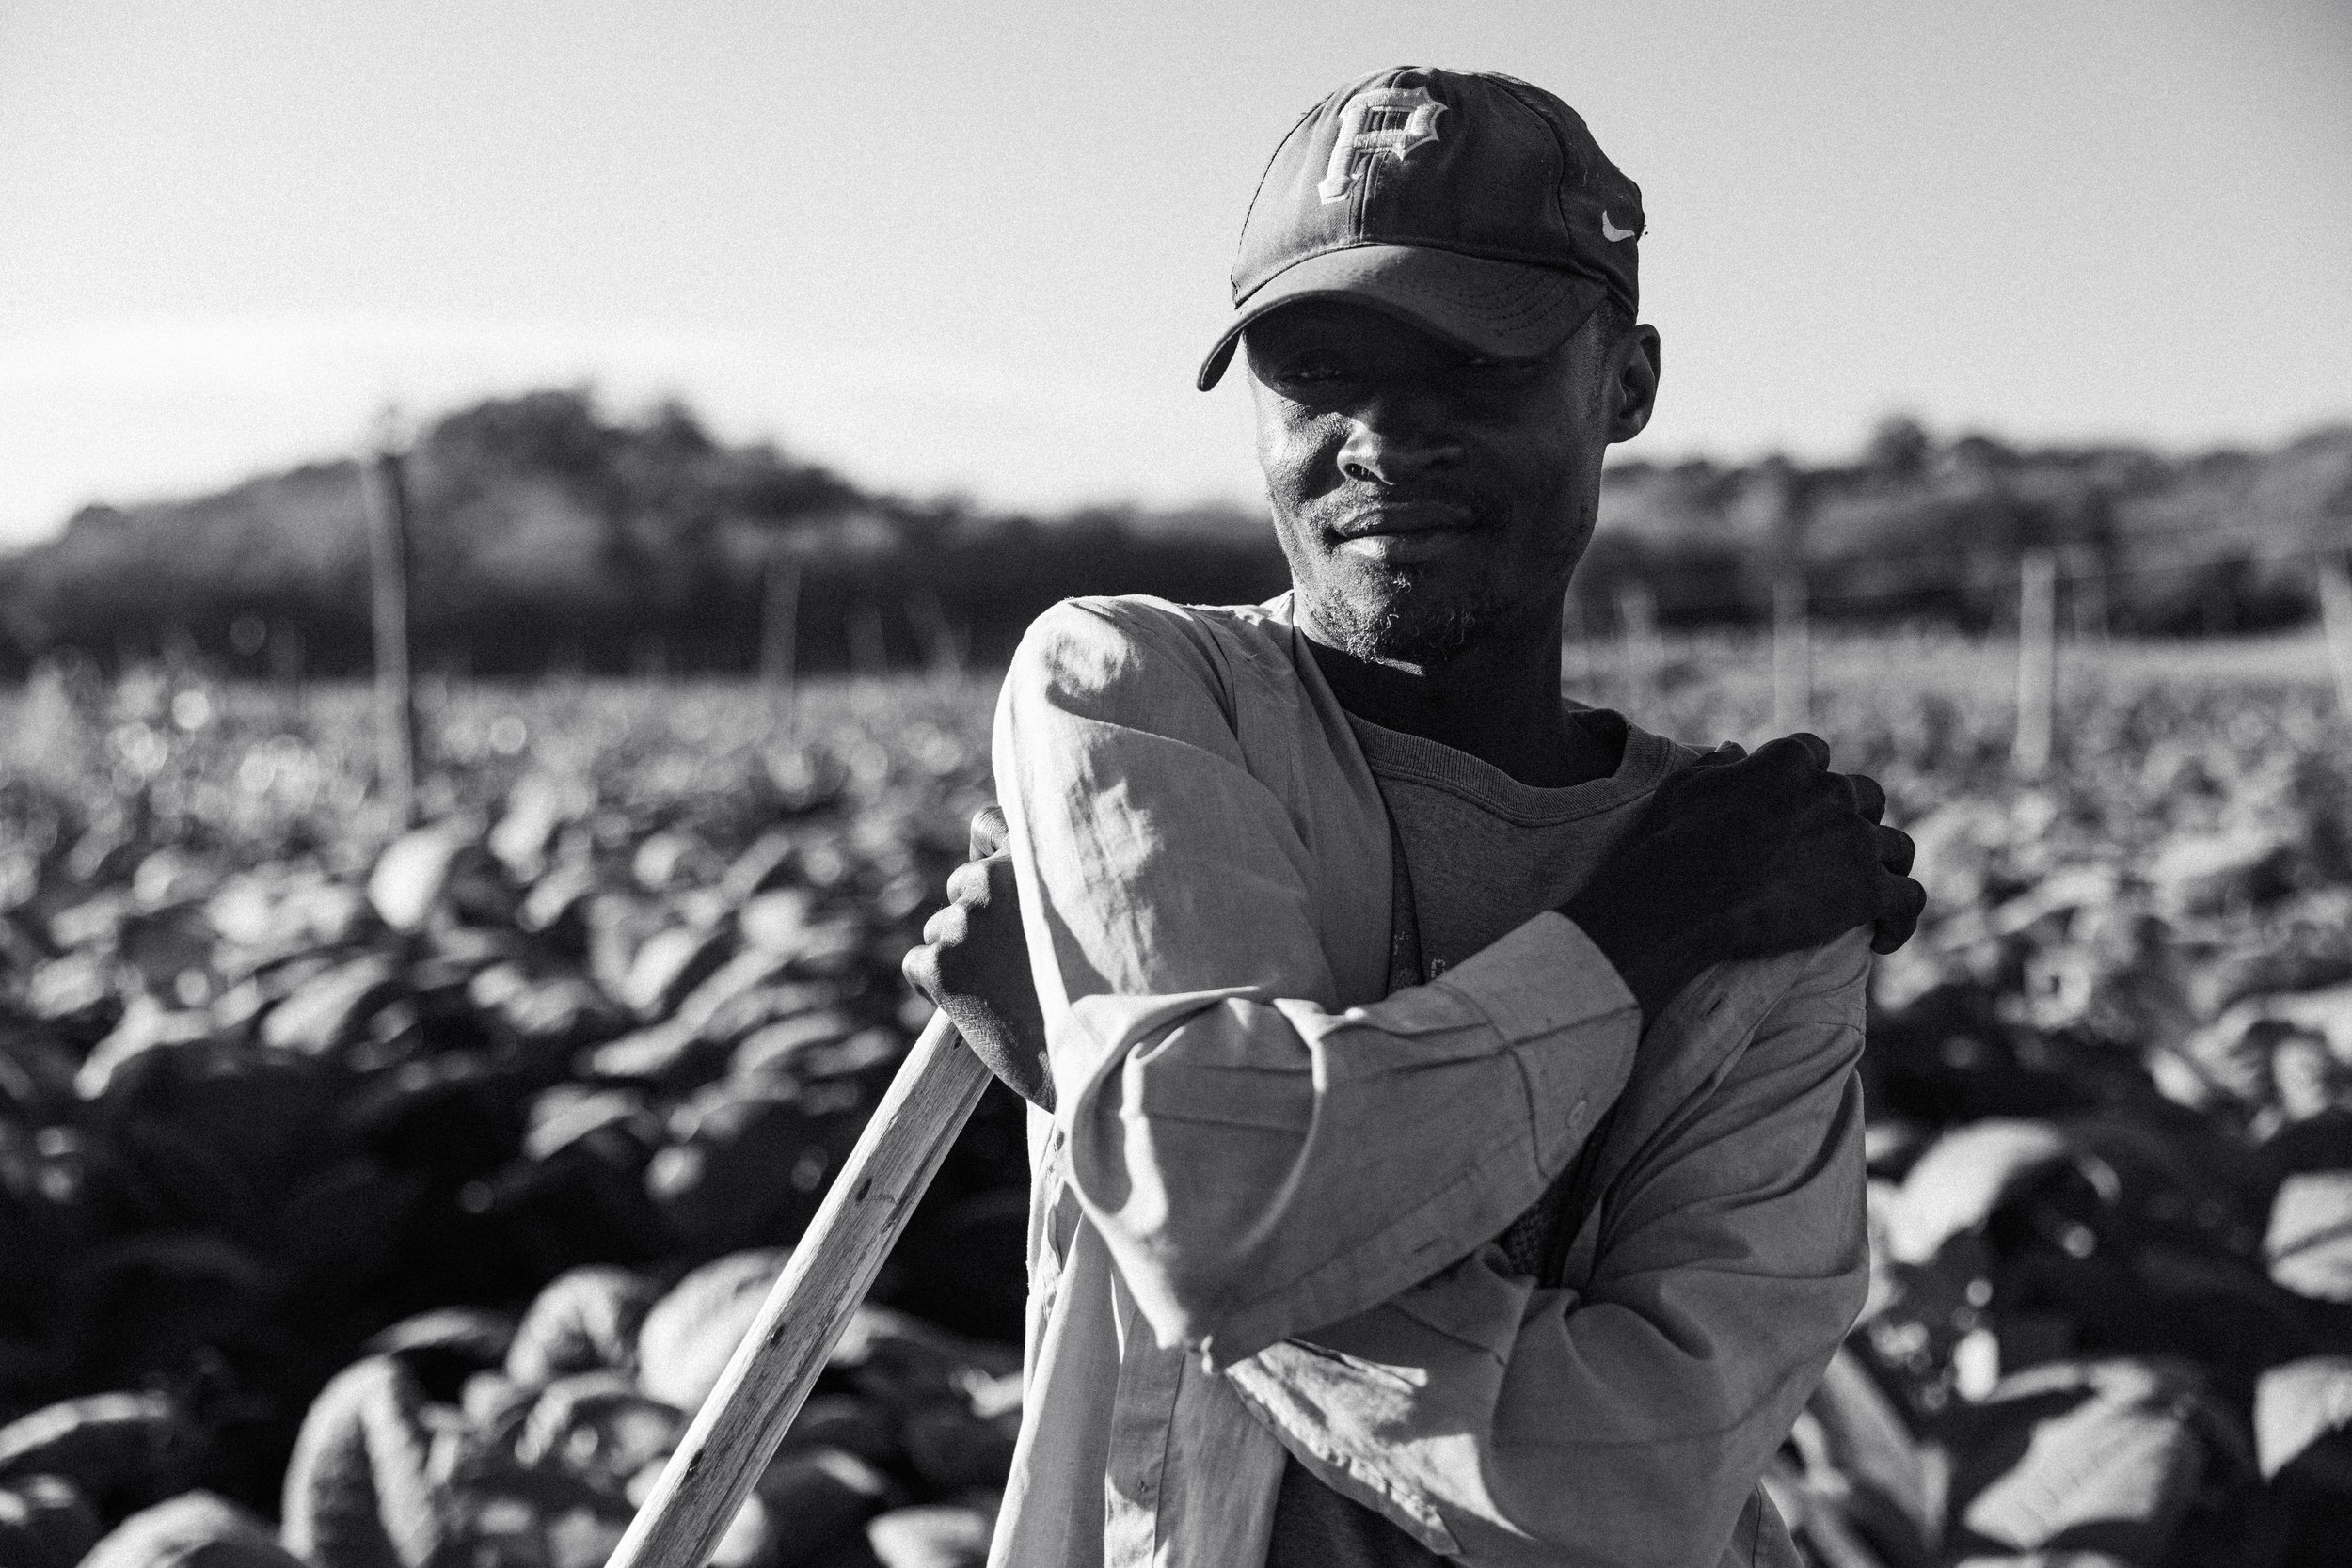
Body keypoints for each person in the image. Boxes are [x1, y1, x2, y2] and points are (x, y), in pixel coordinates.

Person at [903, 66, 1926, 1568]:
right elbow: (1215, 1203)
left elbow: (1642, 1482)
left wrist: (1119, 1122)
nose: (1383, 438)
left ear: (1627, 384)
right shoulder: (1136, 690)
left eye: (1476, 367)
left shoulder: (1770, 863)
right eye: (1319, 372)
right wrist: (1641, 931)